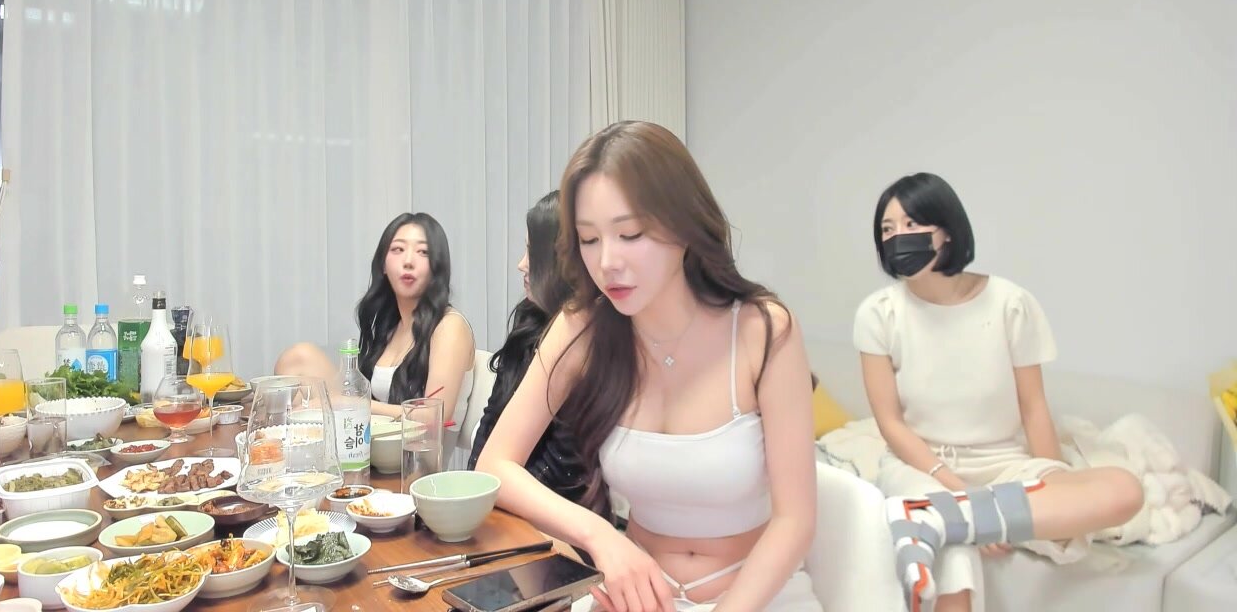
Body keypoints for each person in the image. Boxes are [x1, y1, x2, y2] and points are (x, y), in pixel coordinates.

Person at [477, 121, 821, 612]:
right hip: (636, 596)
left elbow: (795, 520)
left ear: (683, 225)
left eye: (630, 234)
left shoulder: (763, 330)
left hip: (753, 596)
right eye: (589, 239)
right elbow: (495, 464)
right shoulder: (583, 327)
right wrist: (601, 537)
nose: (607, 262)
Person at [854, 172, 1144, 612]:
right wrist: (955, 489)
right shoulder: (878, 314)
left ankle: (948, 518)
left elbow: (1033, 407)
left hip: (1004, 465)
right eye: (887, 229)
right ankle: (947, 516)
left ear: (947, 230)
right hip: (922, 467)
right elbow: (890, 424)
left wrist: (1053, 476)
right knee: (953, 553)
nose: (898, 237)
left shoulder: (1011, 303)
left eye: (911, 224)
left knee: (1123, 490)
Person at [275, 212, 476, 467]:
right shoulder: (392, 326)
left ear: (437, 267)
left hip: (415, 465)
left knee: (322, 408)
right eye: (398, 249)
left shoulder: (449, 326)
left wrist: (352, 404)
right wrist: (347, 403)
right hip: (374, 451)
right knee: (298, 358)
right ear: (383, 264)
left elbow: (433, 418)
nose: (408, 261)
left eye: (423, 252)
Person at [467, 191, 586, 504]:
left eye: (533, 253)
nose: (521, 265)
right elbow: (491, 419)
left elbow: (565, 470)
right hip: (497, 498)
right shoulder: (528, 320)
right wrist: (470, 498)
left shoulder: (583, 334)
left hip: (556, 512)